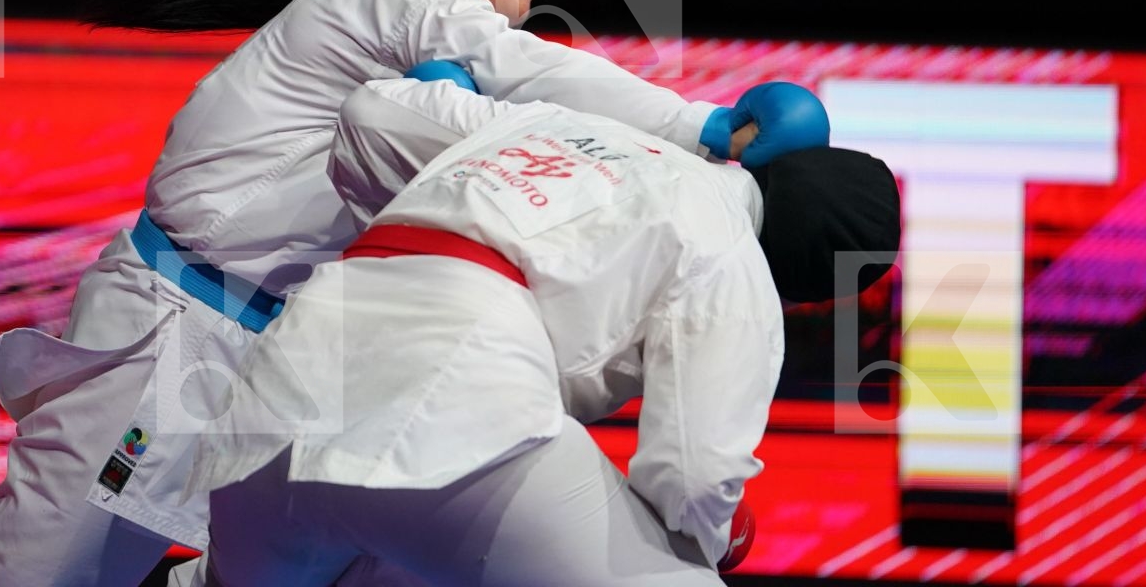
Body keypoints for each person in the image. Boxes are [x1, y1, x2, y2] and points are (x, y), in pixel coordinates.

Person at [0, 0, 830, 587]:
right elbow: (535, 71)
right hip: (177, 328)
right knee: (37, 581)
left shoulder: (443, 89)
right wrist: (705, 126)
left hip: (291, 364)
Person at [188, 76, 899, 586]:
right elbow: (694, 471)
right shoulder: (732, 255)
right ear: (809, 281)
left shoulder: (574, 129)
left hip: (278, 395)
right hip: (450, 412)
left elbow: (373, 113)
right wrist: (716, 533)